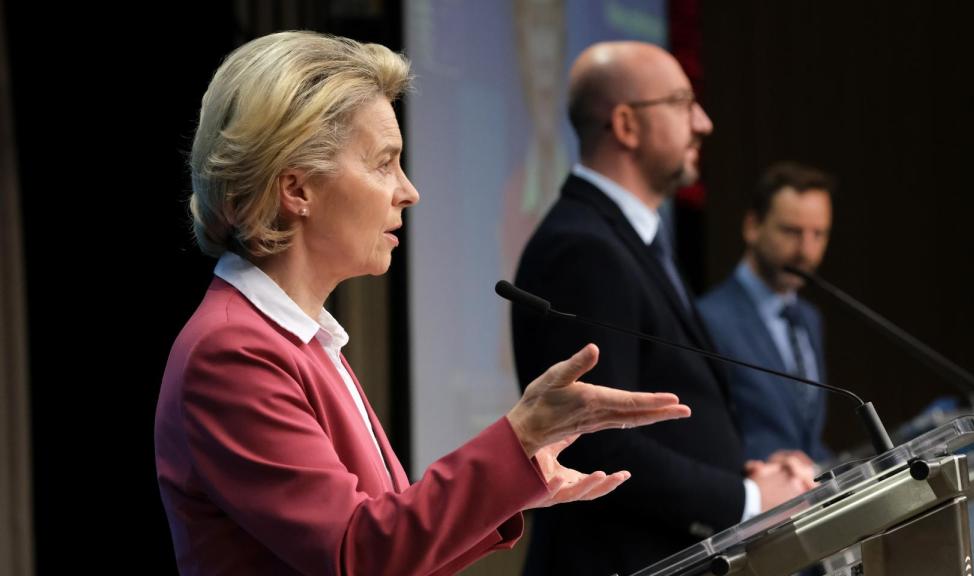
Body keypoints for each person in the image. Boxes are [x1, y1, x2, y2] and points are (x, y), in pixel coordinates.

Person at [153, 31, 693, 576]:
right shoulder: (232, 354)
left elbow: (386, 553)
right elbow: (357, 554)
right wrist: (518, 437)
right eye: (383, 163)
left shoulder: (300, 340)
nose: (408, 191)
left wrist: (516, 476)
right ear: (296, 189)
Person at [511, 41, 814, 576]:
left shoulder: (632, 239)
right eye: (681, 103)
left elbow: (664, 422)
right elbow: (594, 440)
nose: (704, 122)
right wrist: (745, 499)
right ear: (626, 125)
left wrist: (748, 475)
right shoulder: (584, 248)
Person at [698, 162, 835, 462]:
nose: (806, 251)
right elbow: (702, 434)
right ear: (752, 227)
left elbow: (806, 437)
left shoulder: (810, 318)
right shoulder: (708, 319)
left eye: (818, 234)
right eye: (791, 231)